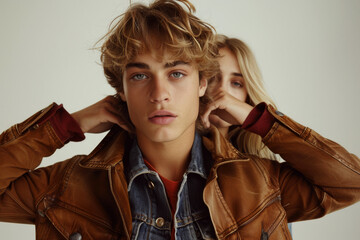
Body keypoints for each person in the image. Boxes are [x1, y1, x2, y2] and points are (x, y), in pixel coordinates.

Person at [0, 1, 359, 240]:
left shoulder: (262, 184)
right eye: (140, 76)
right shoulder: (66, 186)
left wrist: (258, 119)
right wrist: (61, 126)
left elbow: (351, 183)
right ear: (120, 90)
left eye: (176, 74)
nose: (160, 94)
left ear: (203, 83)